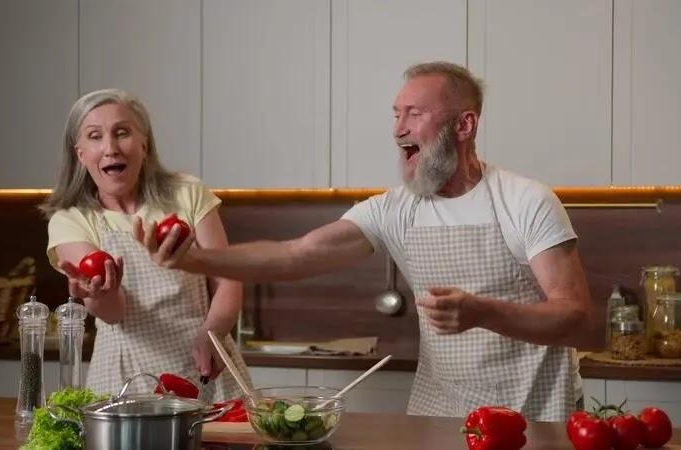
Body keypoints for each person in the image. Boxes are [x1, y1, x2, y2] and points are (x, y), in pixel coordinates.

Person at [141, 62, 591, 421]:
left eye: (415, 114)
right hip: (438, 413)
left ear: (464, 125)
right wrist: (197, 259)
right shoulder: (393, 209)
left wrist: (480, 311)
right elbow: (293, 256)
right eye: (396, 114)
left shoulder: (524, 200)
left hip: (531, 414)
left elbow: (573, 316)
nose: (398, 129)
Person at [40, 88, 252, 401]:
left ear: (144, 142)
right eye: (95, 136)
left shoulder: (186, 192)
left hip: (206, 364)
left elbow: (228, 277)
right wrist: (102, 294)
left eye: (122, 132)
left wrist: (214, 331)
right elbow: (112, 313)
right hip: (126, 378)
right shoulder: (70, 220)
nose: (111, 148)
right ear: (80, 154)